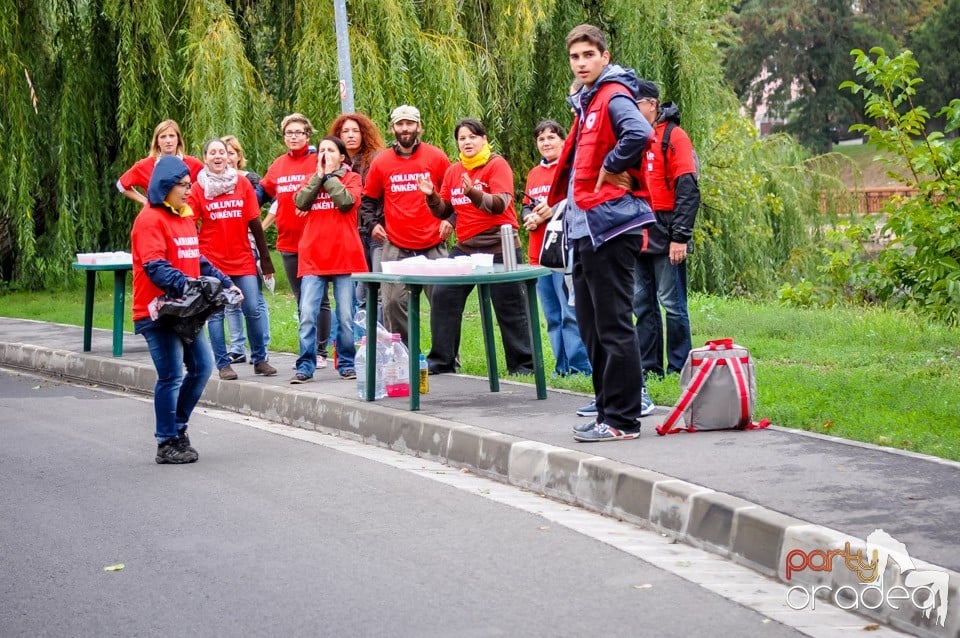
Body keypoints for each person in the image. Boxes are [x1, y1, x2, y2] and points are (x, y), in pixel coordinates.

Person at [548, 24, 657, 442]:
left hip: (610, 227)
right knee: (592, 328)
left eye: (588, 55)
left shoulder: (613, 95)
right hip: (586, 229)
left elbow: (640, 133)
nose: (581, 63)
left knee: (613, 326)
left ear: (605, 57)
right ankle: (606, 411)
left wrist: (613, 167)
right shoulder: (586, 101)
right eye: (575, 57)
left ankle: (624, 421)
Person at [130, 155, 239, 464]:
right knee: (171, 376)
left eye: (190, 185)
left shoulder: (184, 216)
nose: (189, 191)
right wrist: (188, 287)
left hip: (184, 312)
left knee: (203, 367)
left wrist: (225, 282)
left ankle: (177, 428)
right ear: (165, 187)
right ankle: (166, 442)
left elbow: (197, 258)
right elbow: (155, 267)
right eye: (183, 185)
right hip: (157, 313)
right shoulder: (149, 220)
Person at [416, 118, 534, 375]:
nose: (467, 142)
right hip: (467, 247)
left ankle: (524, 366)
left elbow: (500, 205)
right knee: (443, 294)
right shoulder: (454, 171)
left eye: (472, 137)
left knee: (509, 306)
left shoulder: (496, 165)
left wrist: (473, 193)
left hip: (499, 244)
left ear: (483, 139)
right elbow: (445, 210)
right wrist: (431, 196)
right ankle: (442, 360)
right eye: (462, 138)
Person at [359, 105, 452, 345]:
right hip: (396, 245)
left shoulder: (436, 157)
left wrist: (449, 220)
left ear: (418, 126)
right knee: (392, 304)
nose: (405, 129)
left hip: (432, 242)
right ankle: (404, 354)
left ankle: (446, 358)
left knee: (443, 303)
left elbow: (454, 195)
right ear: (393, 128)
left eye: (410, 123)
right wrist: (371, 225)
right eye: (400, 124)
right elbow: (367, 199)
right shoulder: (382, 162)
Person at [188, 139, 277, 380]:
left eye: (222, 152)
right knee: (216, 314)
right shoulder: (198, 188)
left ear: (229, 157)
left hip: (242, 259)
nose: (218, 156)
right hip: (212, 263)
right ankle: (223, 364)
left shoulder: (242, 184)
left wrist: (265, 258)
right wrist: (193, 254)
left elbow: (255, 222)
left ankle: (260, 359)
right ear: (205, 157)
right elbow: (187, 223)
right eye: (212, 153)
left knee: (253, 308)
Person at [289, 136, 367, 383]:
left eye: (330, 150)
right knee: (308, 314)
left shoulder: (352, 179)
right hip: (313, 256)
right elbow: (300, 201)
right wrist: (318, 177)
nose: (324, 154)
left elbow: (346, 203)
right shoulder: (311, 179)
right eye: (321, 150)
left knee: (345, 315)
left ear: (342, 157)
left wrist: (330, 177)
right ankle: (306, 364)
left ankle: (345, 362)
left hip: (344, 255)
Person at [634, 88, 700, 377]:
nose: (631, 109)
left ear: (651, 104)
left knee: (672, 303)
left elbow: (688, 188)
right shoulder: (632, 136)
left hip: (667, 228)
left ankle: (679, 367)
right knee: (641, 303)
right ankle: (649, 368)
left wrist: (680, 237)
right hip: (636, 229)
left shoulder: (674, 136)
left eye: (635, 104)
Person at [521, 119, 592, 377]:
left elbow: (577, 203)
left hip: (563, 254)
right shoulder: (534, 174)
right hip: (538, 254)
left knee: (569, 311)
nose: (546, 142)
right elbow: (527, 204)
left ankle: (579, 365)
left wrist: (550, 212)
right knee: (551, 314)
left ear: (564, 142)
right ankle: (560, 366)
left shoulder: (570, 170)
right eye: (541, 139)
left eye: (552, 137)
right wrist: (529, 216)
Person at [328, 113, 386, 325]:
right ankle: (364, 342)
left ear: (364, 134)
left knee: (380, 289)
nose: (351, 136)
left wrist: (376, 223)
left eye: (356, 131)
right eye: (345, 131)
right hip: (350, 233)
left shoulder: (377, 158)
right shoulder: (333, 163)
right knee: (360, 291)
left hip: (378, 230)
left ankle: (382, 343)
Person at [220, 134, 271, 365]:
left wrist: (264, 225)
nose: (227, 157)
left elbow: (275, 200)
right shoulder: (212, 182)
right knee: (231, 301)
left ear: (239, 156)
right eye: (223, 152)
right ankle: (238, 347)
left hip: (248, 245)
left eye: (231, 152)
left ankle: (262, 347)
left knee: (254, 301)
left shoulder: (250, 180)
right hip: (224, 249)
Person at [117, 119, 204, 206]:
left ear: (178, 139)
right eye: (163, 137)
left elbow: (209, 181)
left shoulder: (193, 164)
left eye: (172, 136)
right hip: (156, 216)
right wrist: (145, 201)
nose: (168, 140)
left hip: (185, 216)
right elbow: (121, 185)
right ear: (157, 141)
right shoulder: (145, 165)